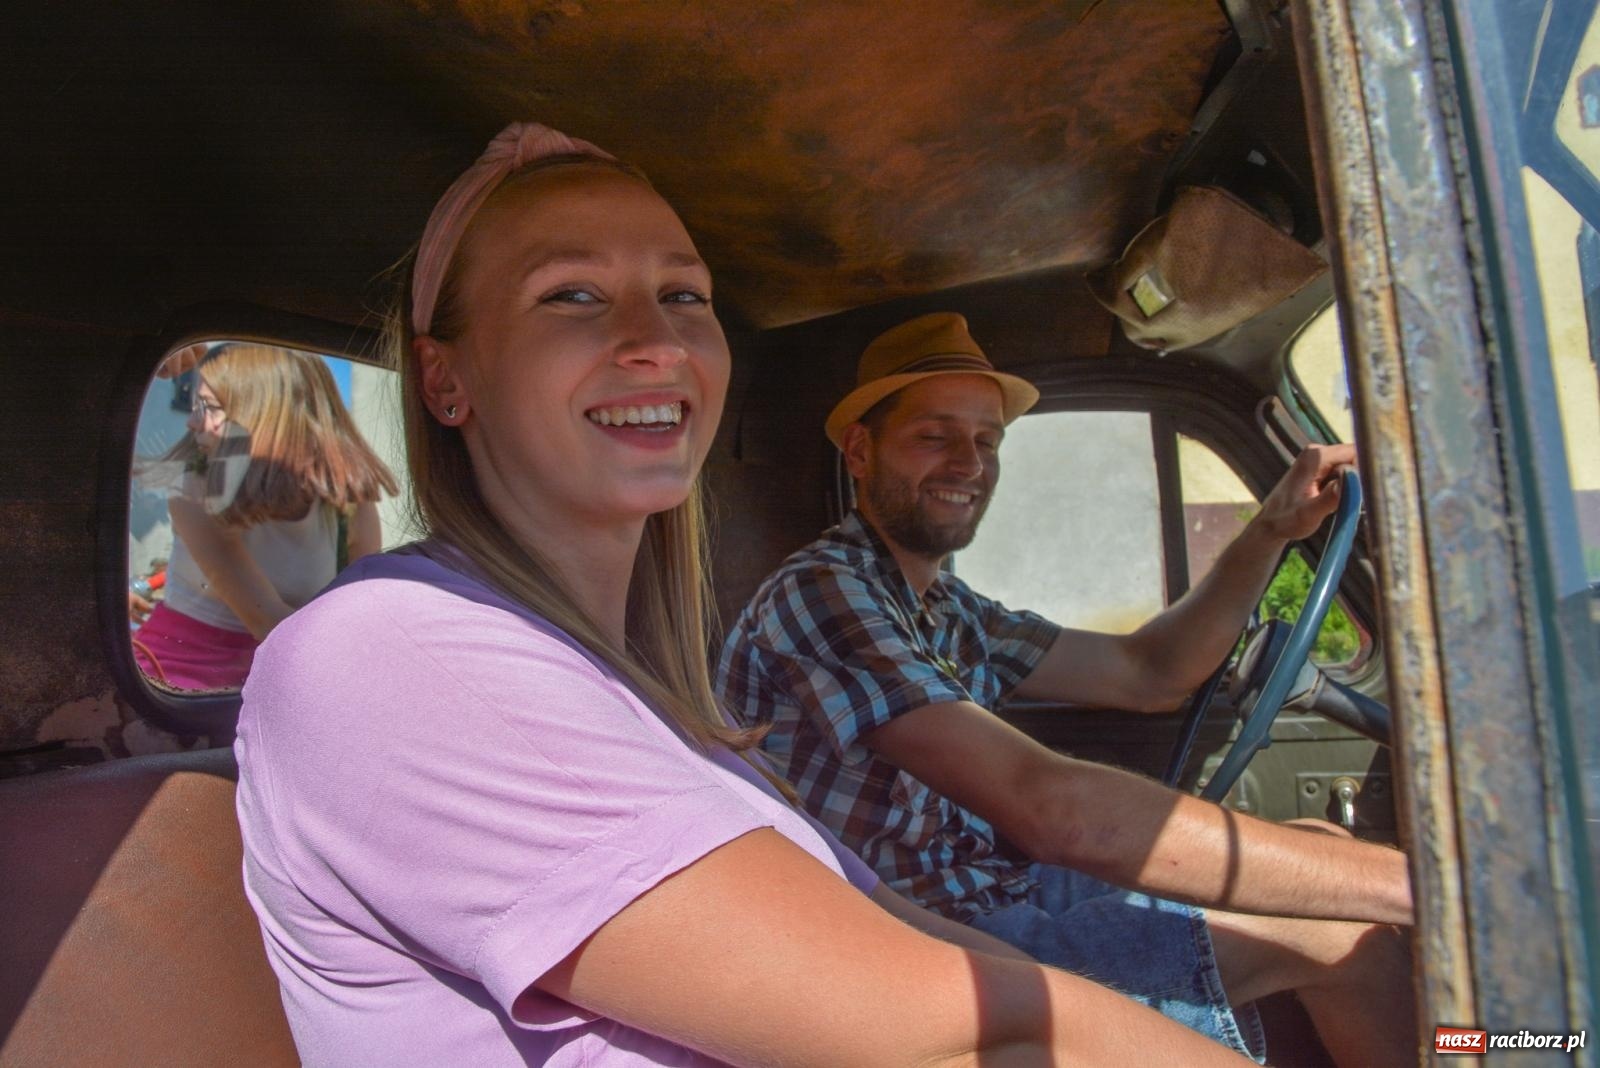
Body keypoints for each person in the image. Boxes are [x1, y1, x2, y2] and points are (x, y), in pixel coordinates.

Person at [233, 122, 1260, 1067]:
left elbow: (1139, 680)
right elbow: (942, 1021)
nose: (660, 341)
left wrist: (1272, 531)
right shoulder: (386, 653)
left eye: (685, 296)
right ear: (444, 381)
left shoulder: (673, 707)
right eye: (571, 296)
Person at [717, 312, 1417, 1066]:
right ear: (860, 451)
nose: (968, 462)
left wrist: (1270, 531)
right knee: (1345, 924)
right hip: (910, 955)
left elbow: (1152, 671)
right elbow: (1051, 806)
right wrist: (1422, 878)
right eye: (934, 436)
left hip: (991, 900)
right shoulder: (825, 592)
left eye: (987, 441)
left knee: (1319, 852)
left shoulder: (949, 609)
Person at [131, 343, 397, 689]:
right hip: (178, 680)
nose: (193, 421)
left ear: (262, 413)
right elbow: (267, 622)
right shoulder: (192, 490)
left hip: (292, 673)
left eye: (208, 408)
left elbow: (361, 610)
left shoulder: (348, 499)